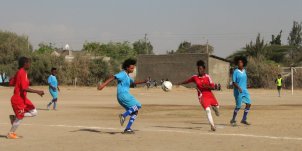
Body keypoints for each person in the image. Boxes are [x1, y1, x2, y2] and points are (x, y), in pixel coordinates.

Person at [98, 58, 146, 134]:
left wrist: (144, 81)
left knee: (135, 112)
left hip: (122, 96)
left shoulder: (127, 76)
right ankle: (123, 115)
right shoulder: (123, 74)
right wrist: (103, 85)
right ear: (127, 68)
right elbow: (112, 77)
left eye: (133, 68)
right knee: (138, 105)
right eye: (131, 68)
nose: (133, 69)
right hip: (123, 95)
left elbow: (133, 83)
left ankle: (128, 128)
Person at [7, 57, 45, 139]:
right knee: (20, 117)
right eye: (29, 63)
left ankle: (15, 117)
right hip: (18, 99)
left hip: (23, 98)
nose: (29, 64)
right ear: (25, 64)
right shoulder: (21, 72)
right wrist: (37, 91)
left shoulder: (21, 72)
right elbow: (24, 88)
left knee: (34, 112)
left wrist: (11, 80)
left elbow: (11, 82)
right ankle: (10, 133)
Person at [177, 60, 220, 131]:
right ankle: (212, 125)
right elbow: (187, 81)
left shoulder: (207, 77)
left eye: (200, 69)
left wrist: (205, 86)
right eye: (198, 69)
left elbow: (213, 87)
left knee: (217, 108)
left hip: (210, 95)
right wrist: (180, 83)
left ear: (204, 69)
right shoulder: (195, 77)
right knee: (208, 110)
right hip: (202, 96)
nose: (199, 70)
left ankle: (215, 109)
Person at [230, 56, 252, 126]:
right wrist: (239, 88)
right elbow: (233, 82)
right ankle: (233, 119)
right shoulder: (236, 72)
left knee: (248, 104)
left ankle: (244, 119)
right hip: (238, 91)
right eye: (238, 62)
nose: (240, 63)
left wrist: (247, 85)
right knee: (238, 106)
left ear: (243, 63)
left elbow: (244, 80)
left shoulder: (244, 71)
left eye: (241, 62)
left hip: (245, 90)